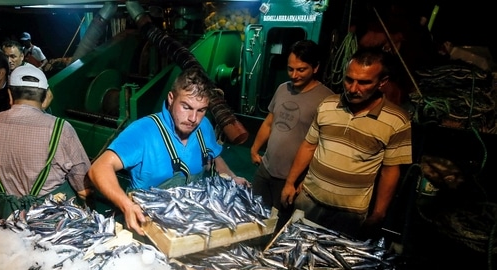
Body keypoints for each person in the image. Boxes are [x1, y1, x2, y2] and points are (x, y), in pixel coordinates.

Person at [88, 67, 249, 236]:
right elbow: (99, 167)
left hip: (190, 220)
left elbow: (215, 156)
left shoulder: (204, 127)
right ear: (171, 98)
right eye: (186, 107)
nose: (193, 119)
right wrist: (126, 205)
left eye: (201, 110)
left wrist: (231, 178)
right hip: (147, 226)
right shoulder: (143, 131)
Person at [280, 47, 413, 238]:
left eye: (364, 82)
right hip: (309, 200)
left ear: (382, 82)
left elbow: (390, 170)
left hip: (349, 213)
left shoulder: (397, 120)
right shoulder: (327, 105)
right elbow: (309, 145)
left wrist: (378, 214)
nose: (353, 88)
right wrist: (290, 182)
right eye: (349, 79)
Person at [0, 65, 92, 220]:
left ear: (10, 95)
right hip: (52, 225)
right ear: (46, 97)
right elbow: (83, 188)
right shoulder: (59, 128)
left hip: (8, 220)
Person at [250, 40, 333, 227]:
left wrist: (304, 180)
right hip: (266, 169)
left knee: (280, 226)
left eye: (301, 70)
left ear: (316, 67)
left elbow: (322, 145)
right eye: (290, 69)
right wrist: (255, 149)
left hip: (291, 179)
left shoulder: (327, 99)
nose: (294, 75)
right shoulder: (282, 88)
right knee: (253, 215)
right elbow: (269, 122)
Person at [2, 39, 54, 110]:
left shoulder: (32, 71)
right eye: (6, 57)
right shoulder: (5, 70)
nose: (9, 60)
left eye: (13, 57)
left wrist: (37, 113)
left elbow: (49, 96)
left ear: (22, 57)